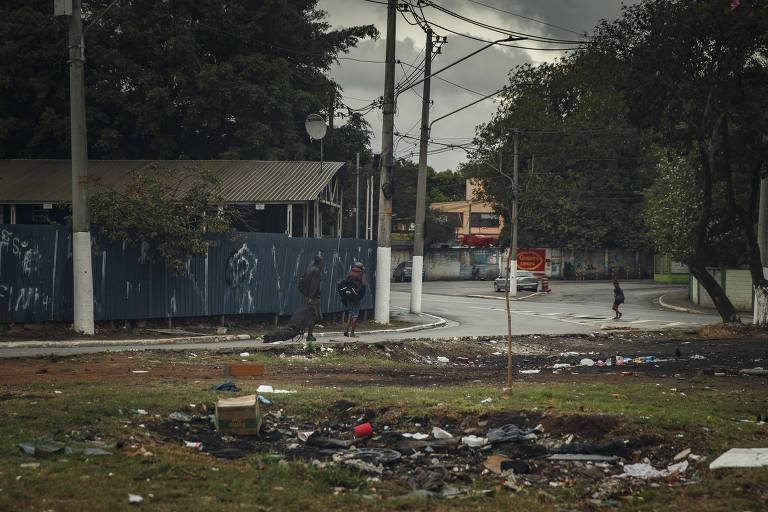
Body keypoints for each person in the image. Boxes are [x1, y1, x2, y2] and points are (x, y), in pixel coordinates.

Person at [299, 255, 323, 341]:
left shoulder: (309, 269)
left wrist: (304, 293)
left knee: (311, 316)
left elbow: (301, 280)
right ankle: (309, 335)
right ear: (319, 263)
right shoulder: (316, 271)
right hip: (313, 297)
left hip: (309, 296)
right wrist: (311, 296)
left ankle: (307, 333)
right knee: (314, 316)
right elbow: (314, 285)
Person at [341, 262, 367, 338]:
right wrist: (360, 297)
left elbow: (344, 282)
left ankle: (346, 331)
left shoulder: (350, 273)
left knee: (350, 313)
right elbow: (363, 286)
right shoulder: (362, 275)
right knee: (355, 314)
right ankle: (352, 333)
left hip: (348, 296)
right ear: (361, 268)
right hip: (356, 297)